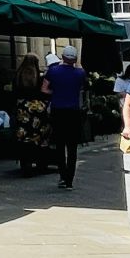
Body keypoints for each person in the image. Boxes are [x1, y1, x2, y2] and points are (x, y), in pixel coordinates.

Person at [42, 44, 86, 190]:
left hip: (57, 110)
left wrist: (55, 93)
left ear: (63, 56)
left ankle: (62, 176)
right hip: (73, 111)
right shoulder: (80, 73)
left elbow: (44, 88)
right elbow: (81, 88)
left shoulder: (53, 71)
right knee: (72, 147)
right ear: (75, 59)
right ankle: (70, 180)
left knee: (60, 146)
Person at [13, 54, 50, 177]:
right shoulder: (37, 76)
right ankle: (41, 163)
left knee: (24, 137)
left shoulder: (18, 75)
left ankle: (25, 165)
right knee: (40, 136)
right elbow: (43, 92)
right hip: (36, 110)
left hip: (22, 109)